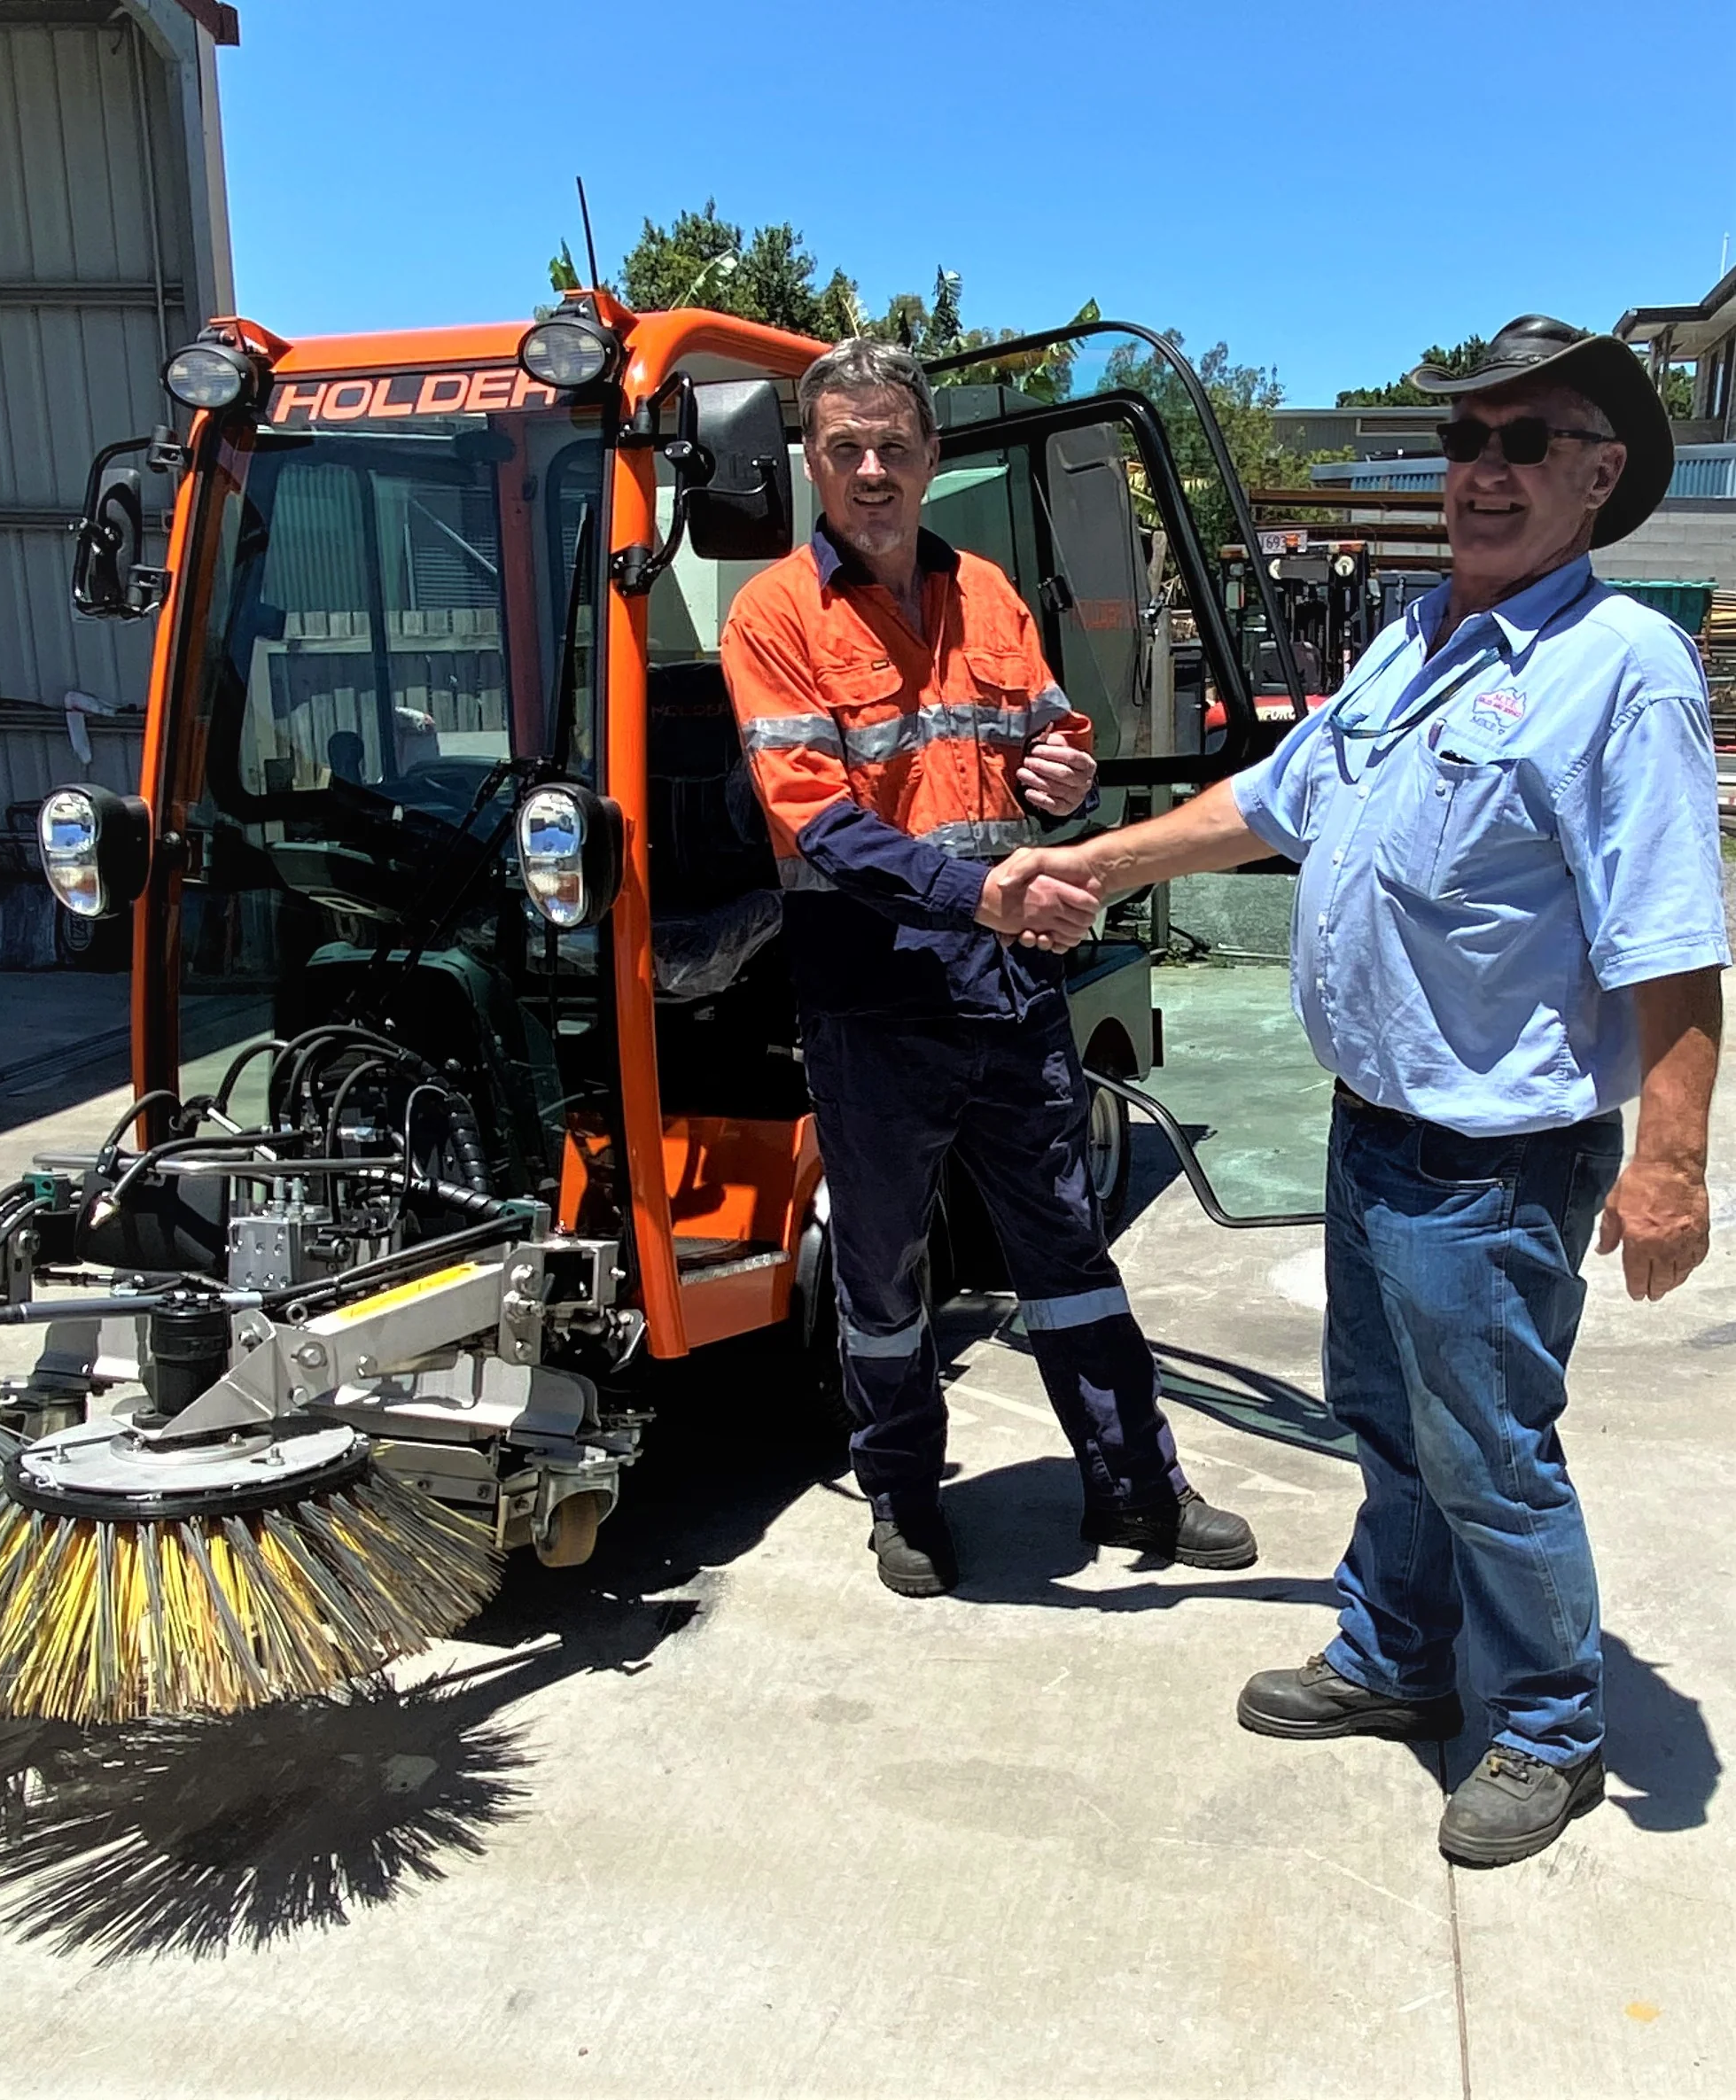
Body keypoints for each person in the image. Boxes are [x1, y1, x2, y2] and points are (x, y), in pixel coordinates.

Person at [993, 315, 1728, 1865]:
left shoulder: (1623, 673)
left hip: (1498, 1159)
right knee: (1381, 1420)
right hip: (1373, 1131)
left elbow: (1672, 948)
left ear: (1597, 477)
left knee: (1490, 1451)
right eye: (1466, 441)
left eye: (1526, 444)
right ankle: (1396, 1654)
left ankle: (1544, 1723)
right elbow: (1270, 803)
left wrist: (1671, 1164)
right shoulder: (1413, 637)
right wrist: (1092, 863)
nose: (1484, 470)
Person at [720, 338, 1255, 1598]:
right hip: (873, 1000)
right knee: (883, 1271)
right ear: (810, 459)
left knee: (1066, 1248)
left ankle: (1136, 1486)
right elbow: (814, 820)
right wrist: (980, 889)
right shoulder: (773, 617)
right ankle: (903, 1497)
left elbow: (1049, 732)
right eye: (844, 447)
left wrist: (1061, 768)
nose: (869, 469)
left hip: (1006, 986)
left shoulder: (989, 594)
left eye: (892, 446)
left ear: (929, 458)